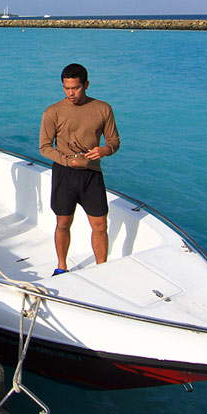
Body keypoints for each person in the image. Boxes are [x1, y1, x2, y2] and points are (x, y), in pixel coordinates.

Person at [39, 63, 120, 274]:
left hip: (92, 175)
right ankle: (61, 267)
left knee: (100, 225)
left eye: (75, 88)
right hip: (64, 174)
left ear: (86, 84)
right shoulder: (52, 112)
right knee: (63, 223)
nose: (70, 93)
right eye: (66, 88)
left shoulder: (103, 109)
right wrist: (68, 161)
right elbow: (45, 147)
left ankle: (102, 269)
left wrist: (105, 150)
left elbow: (114, 140)